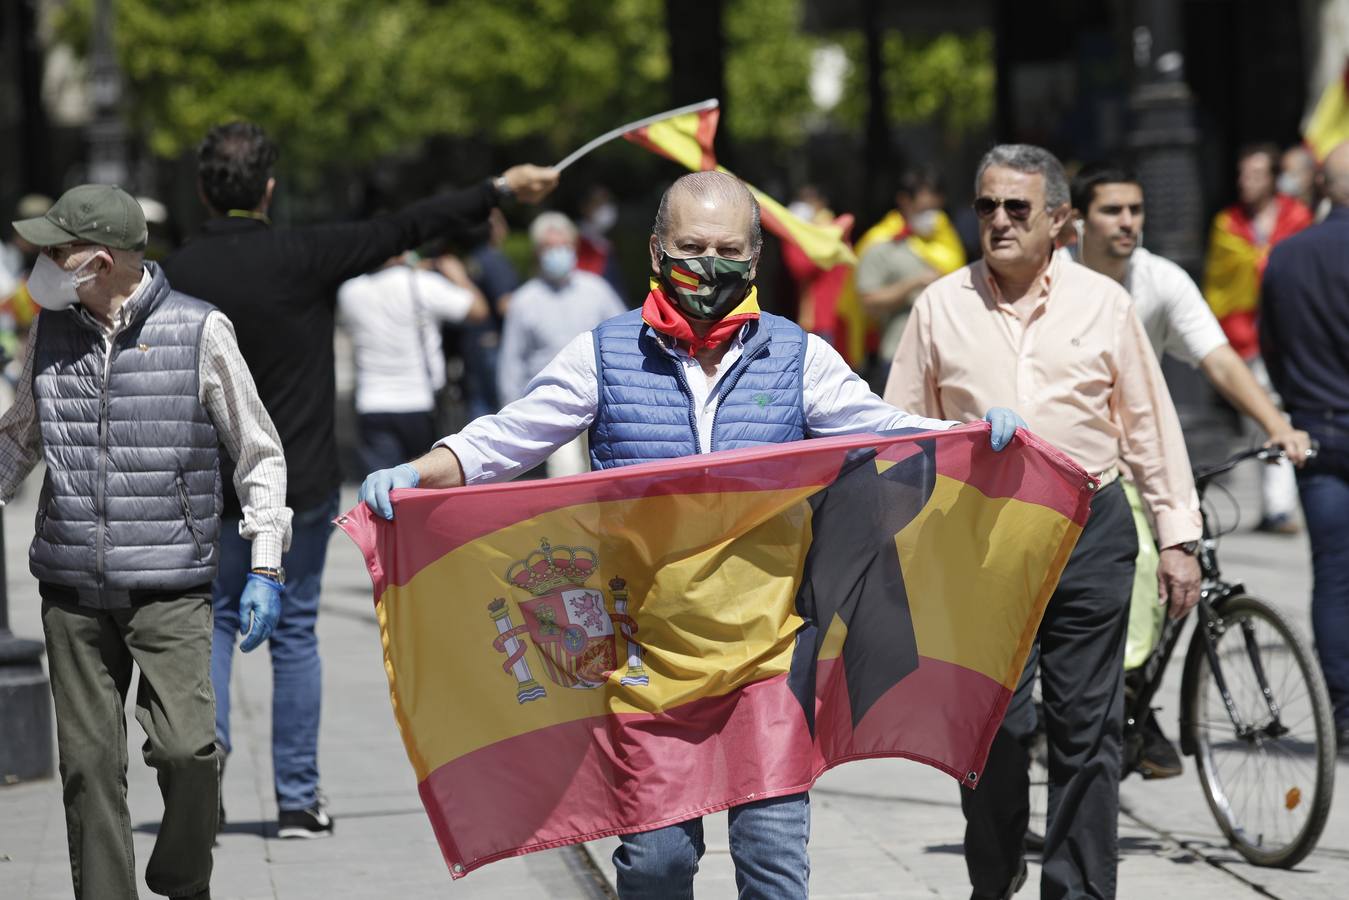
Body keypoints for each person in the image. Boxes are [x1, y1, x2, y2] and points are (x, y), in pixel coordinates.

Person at [358, 170, 1025, 899]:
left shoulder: (794, 356)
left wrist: (969, 436)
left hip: (768, 654)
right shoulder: (606, 354)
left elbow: (884, 426)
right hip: (647, 658)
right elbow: (508, 438)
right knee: (656, 865)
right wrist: (419, 473)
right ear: (654, 251)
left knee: (773, 865)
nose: (708, 265)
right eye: (690, 246)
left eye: (727, 249)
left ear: (754, 258)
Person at [162, 120, 558, 838]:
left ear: (202, 191)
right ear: (270, 189)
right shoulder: (305, 255)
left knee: (210, 626)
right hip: (299, 483)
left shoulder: (178, 275)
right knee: (295, 630)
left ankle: (201, 794)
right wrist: (498, 189)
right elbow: (403, 226)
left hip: (207, 485)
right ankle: (297, 799)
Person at [886, 145, 1202, 900]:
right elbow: (897, 431)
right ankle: (992, 880)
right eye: (986, 206)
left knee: (1086, 729)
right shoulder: (938, 305)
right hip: (981, 539)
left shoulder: (1105, 304)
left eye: (1015, 208)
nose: (997, 221)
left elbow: (1149, 429)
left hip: (1086, 525)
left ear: (1057, 219)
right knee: (992, 726)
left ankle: (1080, 889)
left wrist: (1177, 536)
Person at [2, 185, 290, 900]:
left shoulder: (200, 331)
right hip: (71, 585)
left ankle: (182, 880)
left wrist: (265, 564)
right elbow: (20, 438)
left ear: (97, 260)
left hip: (170, 584)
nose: (40, 259)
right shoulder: (51, 328)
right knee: (88, 768)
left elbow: (259, 452)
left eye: (54, 248)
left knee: (190, 752)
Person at [1066, 162, 1314, 777]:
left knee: (1174, 557)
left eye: (1135, 210)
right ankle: (1118, 703)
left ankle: (1133, 702)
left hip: (1143, 449)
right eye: (1111, 211)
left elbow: (1219, 359)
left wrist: (1276, 426)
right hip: (1081, 461)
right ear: (1076, 222)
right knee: (1145, 560)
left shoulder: (1158, 278)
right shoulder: (1060, 283)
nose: (1128, 223)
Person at [1260, 140, 1349, 754]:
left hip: (1319, 434)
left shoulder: (1287, 258)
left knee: (1335, 579)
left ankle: (1343, 713)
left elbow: (1271, 348)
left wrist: (1300, 403)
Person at [1202, 143, 1312, 534]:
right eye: (1242, 174)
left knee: (1276, 415)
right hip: (1244, 335)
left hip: (1289, 333)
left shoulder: (1297, 217)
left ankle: (1280, 506)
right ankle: (1274, 505)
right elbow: (1220, 282)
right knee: (1259, 420)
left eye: (1255, 174)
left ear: (1271, 178)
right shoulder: (1226, 223)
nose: (1245, 182)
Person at [497, 211, 624, 477]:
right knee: (566, 474)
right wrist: (512, 413)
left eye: (563, 246)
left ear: (574, 247)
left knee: (603, 472)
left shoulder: (597, 290)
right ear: (537, 253)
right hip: (551, 406)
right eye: (549, 247)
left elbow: (623, 339)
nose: (557, 253)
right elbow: (511, 361)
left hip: (601, 401)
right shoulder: (524, 301)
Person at [337, 250, 489, 473]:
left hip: (371, 401)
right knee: (424, 487)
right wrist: (458, 276)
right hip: (420, 401)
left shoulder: (351, 291)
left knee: (382, 492)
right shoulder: (423, 284)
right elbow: (479, 311)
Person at [854, 167, 965, 384]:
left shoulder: (947, 239)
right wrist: (914, 283)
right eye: (924, 209)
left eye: (936, 208)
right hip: (899, 357)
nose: (932, 216)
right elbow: (867, 302)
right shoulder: (881, 244)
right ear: (904, 201)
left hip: (948, 356)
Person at [458, 208, 520, 420]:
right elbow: (505, 304)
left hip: (474, 343)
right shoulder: (494, 260)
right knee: (501, 411)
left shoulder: (472, 259)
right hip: (494, 345)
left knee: (479, 409)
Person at [576, 184, 626, 301]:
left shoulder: (605, 243)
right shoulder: (577, 242)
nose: (604, 208)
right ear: (584, 207)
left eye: (606, 202)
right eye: (598, 203)